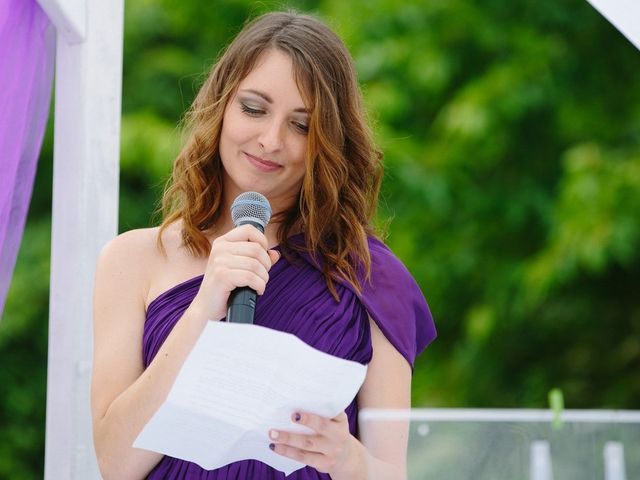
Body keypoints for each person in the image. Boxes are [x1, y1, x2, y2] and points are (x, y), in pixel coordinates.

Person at [91, 10, 436, 480]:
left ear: (327, 140)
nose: (270, 140)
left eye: (301, 125)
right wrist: (202, 308)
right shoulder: (133, 260)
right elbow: (115, 463)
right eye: (254, 109)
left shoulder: (371, 277)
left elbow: (391, 472)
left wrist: (349, 459)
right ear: (221, 106)